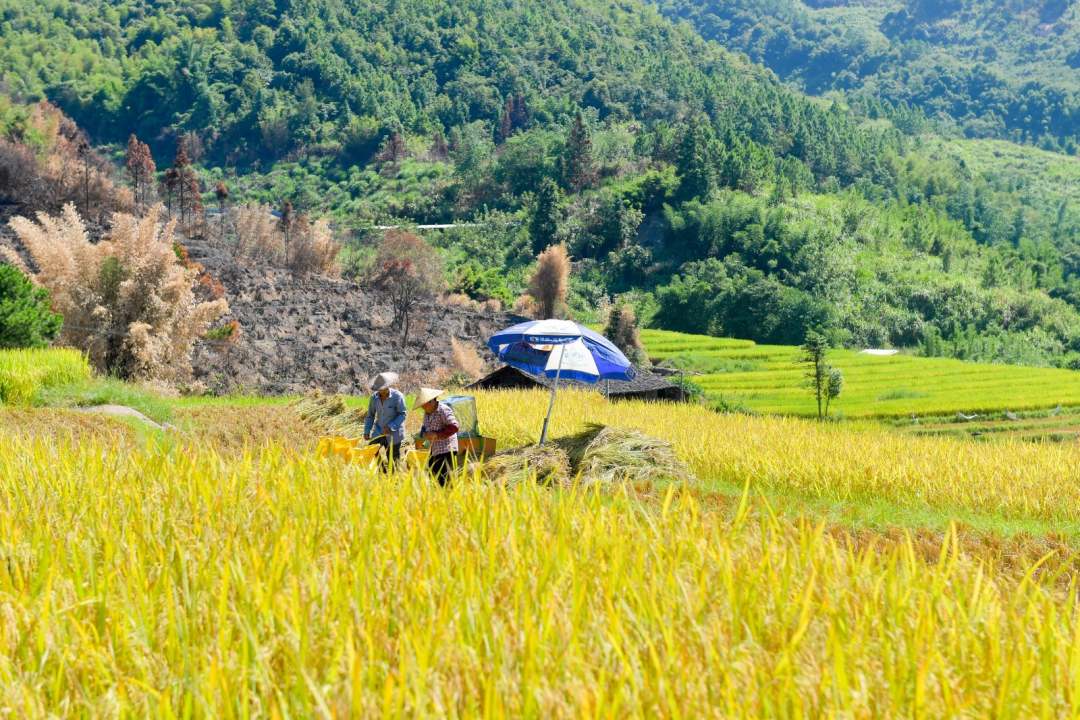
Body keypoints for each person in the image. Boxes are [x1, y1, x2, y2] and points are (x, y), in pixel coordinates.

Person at [413, 387, 459, 486]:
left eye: (424, 404)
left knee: (444, 477)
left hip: (447, 448)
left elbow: (454, 427)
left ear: (432, 401)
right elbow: (425, 429)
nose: (423, 407)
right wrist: (423, 438)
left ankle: (448, 493)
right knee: (432, 471)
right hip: (435, 449)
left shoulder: (443, 410)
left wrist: (437, 434)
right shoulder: (427, 413)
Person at [363, 372, 407, 471]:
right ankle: (382, 472)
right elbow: (370, 415)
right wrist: (367, 431)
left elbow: (402, 414)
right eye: (380, 389)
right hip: (379, 430)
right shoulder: (374, 398)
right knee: (372, 450)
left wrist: (391, 426)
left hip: (394, 433)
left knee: (393, 459)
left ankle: (394, 476)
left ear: (388, 386)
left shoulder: (397, 396)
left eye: (384, 388)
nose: (382, 391)